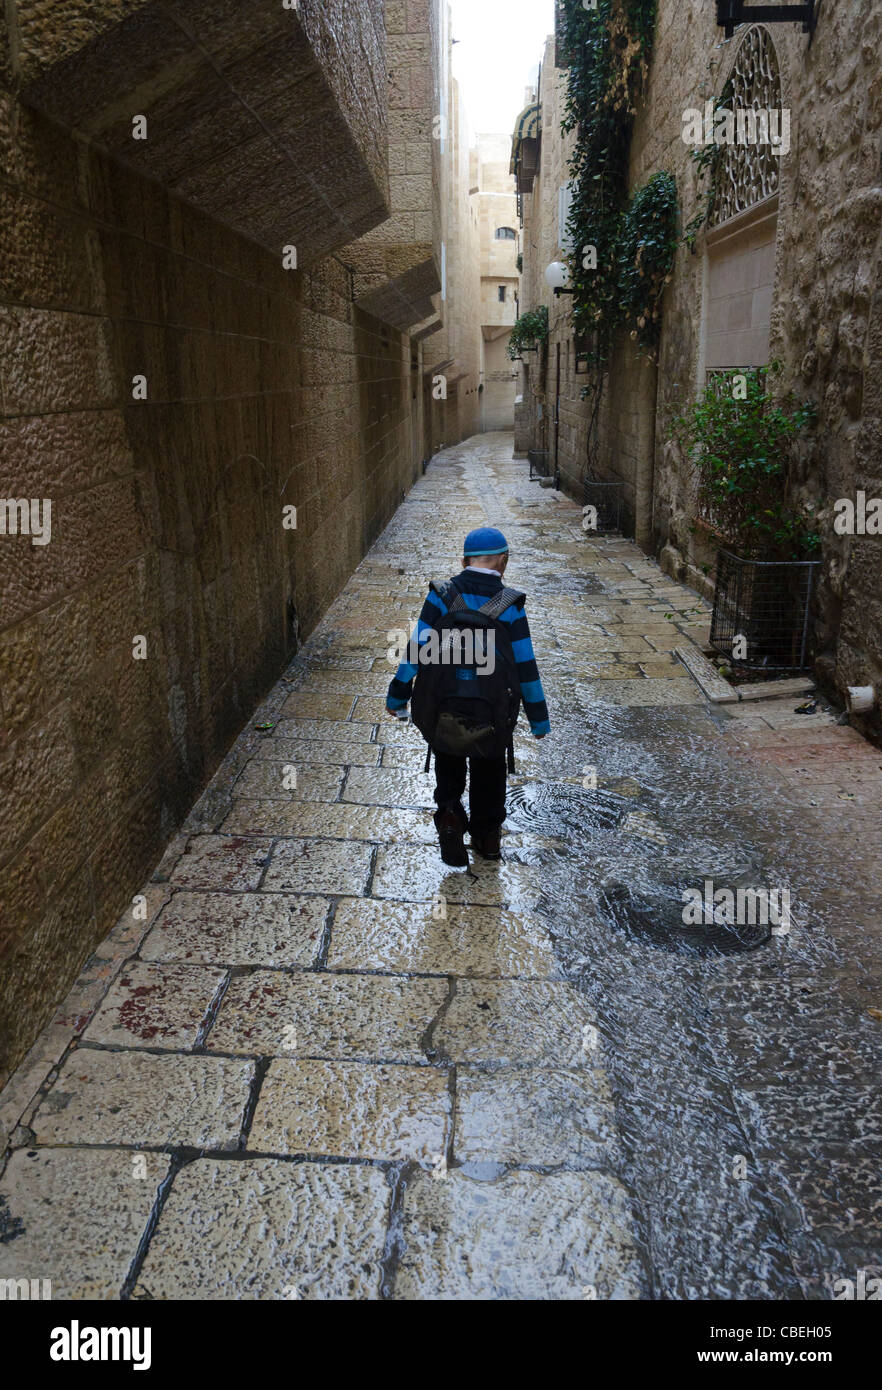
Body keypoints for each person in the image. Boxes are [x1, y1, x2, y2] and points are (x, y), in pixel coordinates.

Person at [386, 526, 549, 866]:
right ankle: (487, 838)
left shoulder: (441, 595)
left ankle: (449, 816)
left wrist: (398, 694)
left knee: (448, 755)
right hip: (493, 711)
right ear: (503, 562)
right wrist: (538, 717)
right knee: (490, 767)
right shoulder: (511, 606)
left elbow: (417, 649)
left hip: (445, 705)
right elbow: (525, 665)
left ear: (463, 561)